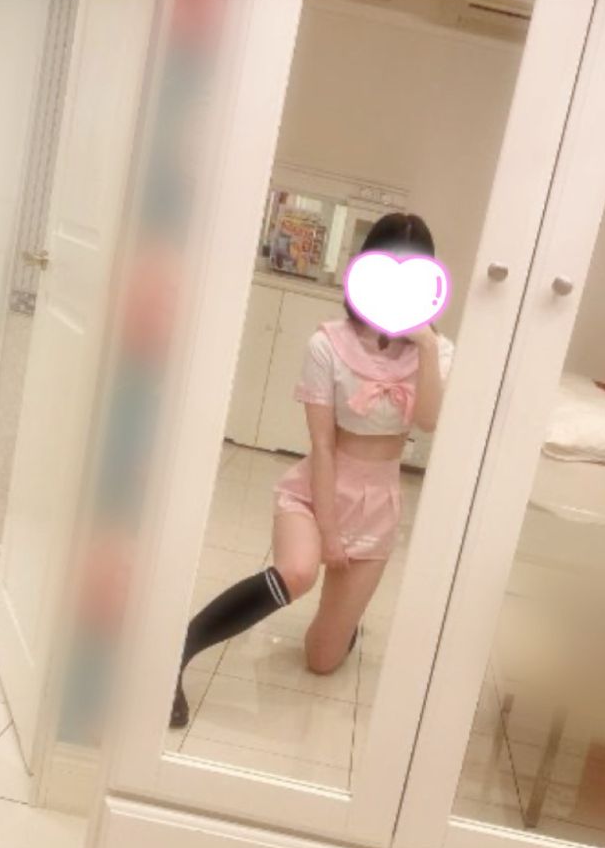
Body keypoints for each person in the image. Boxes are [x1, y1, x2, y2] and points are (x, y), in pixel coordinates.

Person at [170, 212, 454, 728]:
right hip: (316, 492)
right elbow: (321, 444)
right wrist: (328, 530)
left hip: (378, 507)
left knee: (322, 659)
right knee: (298, 572)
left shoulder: (436, 352)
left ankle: (345, 627)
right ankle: (179, 649)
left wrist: (429, 345)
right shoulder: (328, 343)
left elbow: (430, 421)